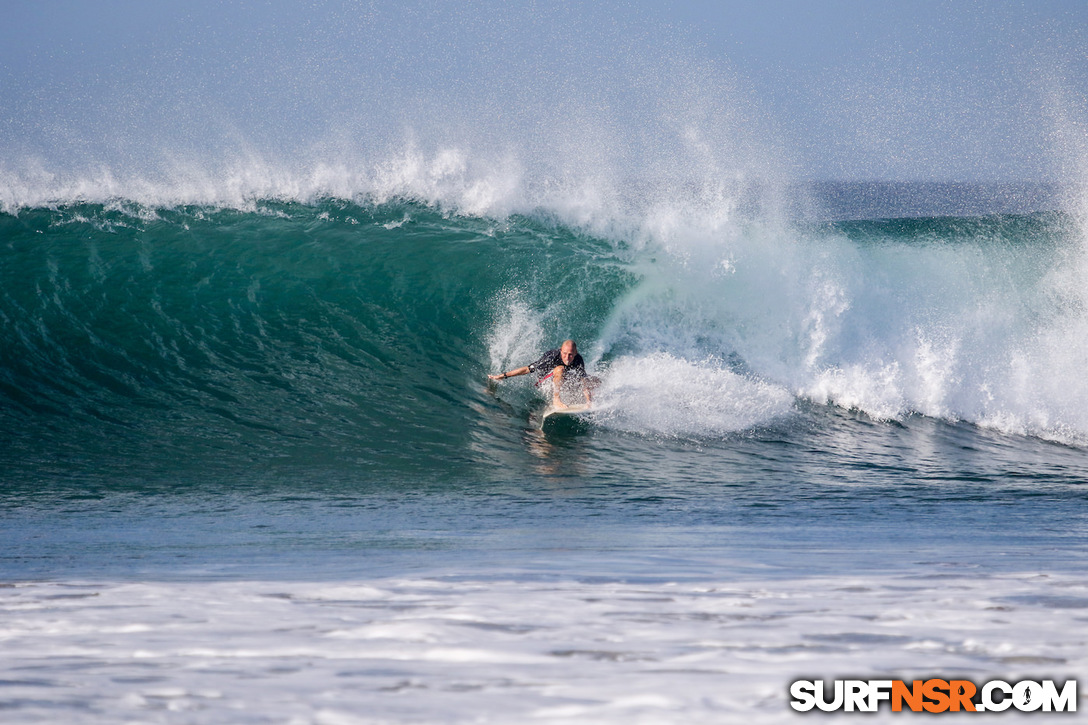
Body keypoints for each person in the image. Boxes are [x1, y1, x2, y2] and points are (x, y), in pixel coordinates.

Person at [489, 339, 595, 409]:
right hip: (544, 383)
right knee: (560, 369)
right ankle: (556, 400)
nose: (567, 357)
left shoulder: (578, 359)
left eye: (571, 355)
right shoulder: (551, 357)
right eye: (565, 354)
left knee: (592, 379)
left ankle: (589, 399)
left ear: (575, 353)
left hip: (560, 380)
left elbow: (583, 380)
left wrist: (588, 401)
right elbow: (527, 369)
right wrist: (502, 376)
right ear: (560, 350)